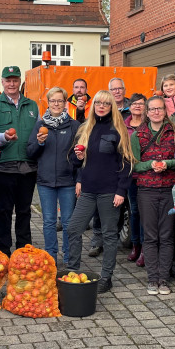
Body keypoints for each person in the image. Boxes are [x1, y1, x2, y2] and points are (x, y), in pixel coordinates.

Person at [67, 90, 134, 293]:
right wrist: (78, 157)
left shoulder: (118, 130)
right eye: (98, 103)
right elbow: (73, 160)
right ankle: (72, 269)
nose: (101, 106)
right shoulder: (86, 128)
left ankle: (106, 277)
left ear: (112, 106)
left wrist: (121, 190)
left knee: (109, 235)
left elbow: (127, 163)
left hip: (109, 192)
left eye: (106, 103)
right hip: (88, 191)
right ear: (93, 106)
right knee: (73, 229)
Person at [0, 66, 39, 257]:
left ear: (19, 82)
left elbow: (38, 134)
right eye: (8, 80)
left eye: (15, 80)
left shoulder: (32, 105)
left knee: (24, 211)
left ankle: (24, 251)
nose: (11, 84)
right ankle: (3, 251)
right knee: (4, 211)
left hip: (28, 167)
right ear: (2, 82)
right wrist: (5, 137)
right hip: (4, 166)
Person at [131, 96, 175, 295]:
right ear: (147, 112)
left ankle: (164, 279)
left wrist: (167, 164)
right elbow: (133, 164)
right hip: (146, 191)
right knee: (150, 237)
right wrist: (149, 165)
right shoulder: (138, 135)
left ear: (165, 111)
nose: (156, 112)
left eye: (160, 109)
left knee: (167, 236)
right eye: (152, 109)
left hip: (169, 189)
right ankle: (152, 279)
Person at [27, 87, 80, 265]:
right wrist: (39, 143)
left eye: (60, 101)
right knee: (49, 221)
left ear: (65, 103)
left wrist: (77, 173)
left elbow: (80, 154)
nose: (56, 104)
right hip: (45, 181)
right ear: (47, 103)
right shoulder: (40, 125)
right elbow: (30, 152)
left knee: (68, 221)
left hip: (67, 181)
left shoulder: (74, 126)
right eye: (53, 101)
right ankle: (50, 257)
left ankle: (68, 256)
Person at [124, 93, 146, 265]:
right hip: (131, 175)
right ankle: (135, 245)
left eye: (141, 103)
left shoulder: (149, 125)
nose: (137, 106)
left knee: (146, 213)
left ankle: (146, 249)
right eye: (134, 103)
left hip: (148, 175)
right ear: (129, 106)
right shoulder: (124, 126)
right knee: (135, 211)